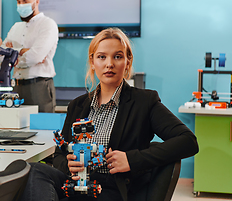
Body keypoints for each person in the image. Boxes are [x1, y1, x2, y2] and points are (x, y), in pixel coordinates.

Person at [18, 28, 199, 201]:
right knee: (33, 170)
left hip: (112, 189)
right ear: (92, 62)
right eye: (102, 57)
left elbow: (188, 141)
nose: (109, 64)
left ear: (127, 61)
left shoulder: (145, 101)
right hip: (77, 184)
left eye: (117, 57)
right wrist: (68, 164)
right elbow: (60, 153)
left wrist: (131, 159)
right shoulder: (77, 105)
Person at [2, 0, 58, 113]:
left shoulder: (47, 24)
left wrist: (13, 56)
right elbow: (1, 56)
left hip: (39, 86)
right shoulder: (16, 27)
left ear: (36, 1)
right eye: (18, 2)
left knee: (42, 128)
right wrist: (23, 51)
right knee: (16, 129)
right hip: (16, 87)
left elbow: (35, 56)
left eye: (25, 1)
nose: (21, 5)